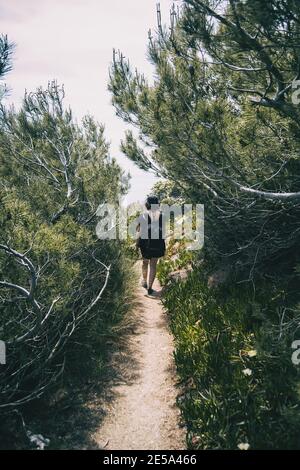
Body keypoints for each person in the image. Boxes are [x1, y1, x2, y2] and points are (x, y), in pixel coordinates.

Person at [136, 195, 166, 296]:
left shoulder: (143, 215)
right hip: (157, 243)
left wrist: (137, 243)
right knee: (153, 265)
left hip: (145, 242)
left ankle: (144, 281)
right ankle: (150, 288)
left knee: (145, 262)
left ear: (147, 204)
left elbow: (138, 231)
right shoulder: (162, 215)